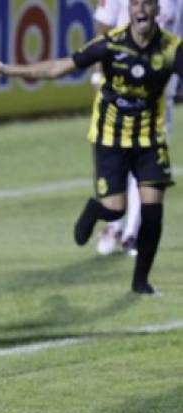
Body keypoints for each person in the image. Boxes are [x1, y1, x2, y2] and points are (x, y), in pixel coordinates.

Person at [0, 0, 181, 294]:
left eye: (147, 4)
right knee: (115, 211)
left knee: (153, 212)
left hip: (149, 139)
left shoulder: (171, 48)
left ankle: (141, 281)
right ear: (129, 10)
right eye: (136, 4)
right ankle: (94, 211)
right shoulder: (110, 44)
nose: (141, 10)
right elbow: (56, 67)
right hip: (110, 138)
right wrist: (7, 70)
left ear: (157, 11)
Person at [92, 0, 181, 256]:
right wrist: (98, 74)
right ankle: (113, 225)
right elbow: (104, 24)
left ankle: (132, 233)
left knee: (148, 152)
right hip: (122, 79)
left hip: (160, 83)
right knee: (116, 150)